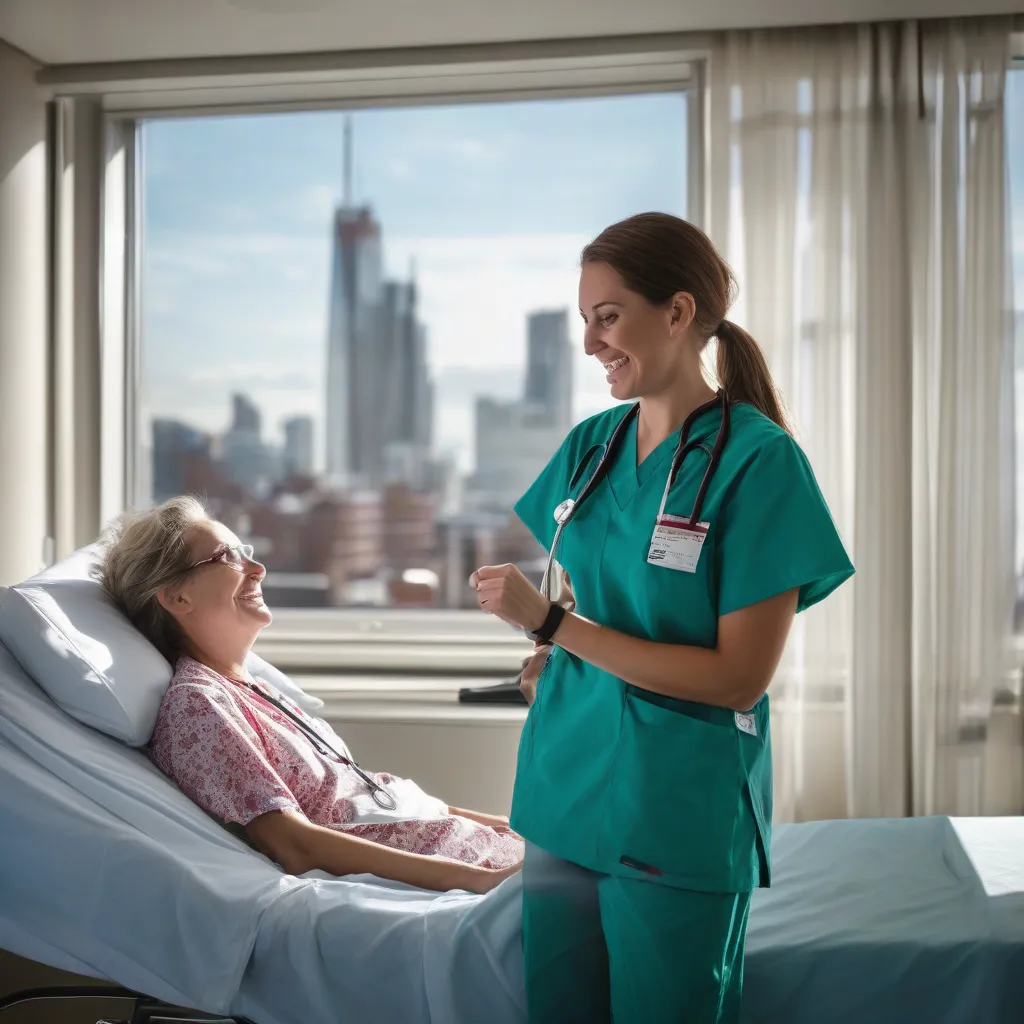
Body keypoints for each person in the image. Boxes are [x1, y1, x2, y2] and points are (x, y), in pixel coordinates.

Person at [471, 212, 854, 1023]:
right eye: (584, 321)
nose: (590, 344)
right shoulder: (592, 446)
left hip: (676, 812)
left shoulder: (759, 462)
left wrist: (552, 629)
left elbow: (736, 677)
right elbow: (598, 597)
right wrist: (555, 651)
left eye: (608, 317)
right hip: (563, 790)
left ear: (677, 314)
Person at [99, 496, 523, 896]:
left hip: (480, 847)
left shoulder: (255, 689)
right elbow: (295, 845)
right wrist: (479, 882)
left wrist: (500, 825)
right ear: (176, 596)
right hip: (471, 870)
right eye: (227, 556)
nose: (257, 568)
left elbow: (357, 794)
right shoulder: (198, 705)